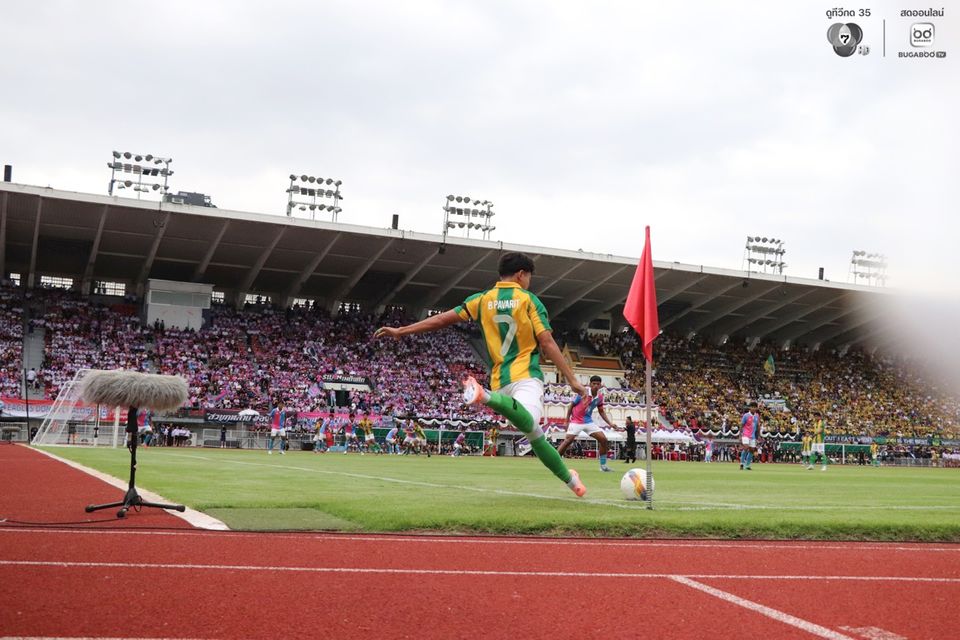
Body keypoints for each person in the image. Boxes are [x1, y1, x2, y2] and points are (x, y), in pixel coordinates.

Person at [375, 252, 589, 497]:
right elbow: (547, 342)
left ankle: (572, 481)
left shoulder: (482, 299)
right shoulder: (529, 300)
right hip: (526, 376)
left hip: (500, 381)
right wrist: (572, 380)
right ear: (521, 274)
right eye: (529, 276)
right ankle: (483, 395)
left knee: (534, 433)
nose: (529, 281)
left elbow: (442, 319)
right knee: (531, 421)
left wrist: (402, 330)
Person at [556, 375, 616, 472]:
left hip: (588, 421)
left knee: (603, 440)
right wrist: (566, 421)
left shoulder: (600, 397)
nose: (596, 386)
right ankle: (554, 462)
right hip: (576, 421)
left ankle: (603, 466)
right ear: (590, 384)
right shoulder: (582, 392)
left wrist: (610, 423)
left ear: (601, 385)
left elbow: (601, 411)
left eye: (598, 384)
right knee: (568, 441)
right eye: (594, 384)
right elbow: (571, 406)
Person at [739, 402, 759, 470]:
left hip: (753, 436)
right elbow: (741, 425)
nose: (753, 408)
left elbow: (757, 426)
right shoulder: (746, 415)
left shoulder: (757, 416)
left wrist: (757, 437)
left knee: (752, 450)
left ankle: (747, 465)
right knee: (746, 447)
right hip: (745, 434)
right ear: (750, 407)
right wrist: (740, 436)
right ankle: (741, 463)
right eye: (752, 407)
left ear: (756, 408)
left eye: (755, 407)